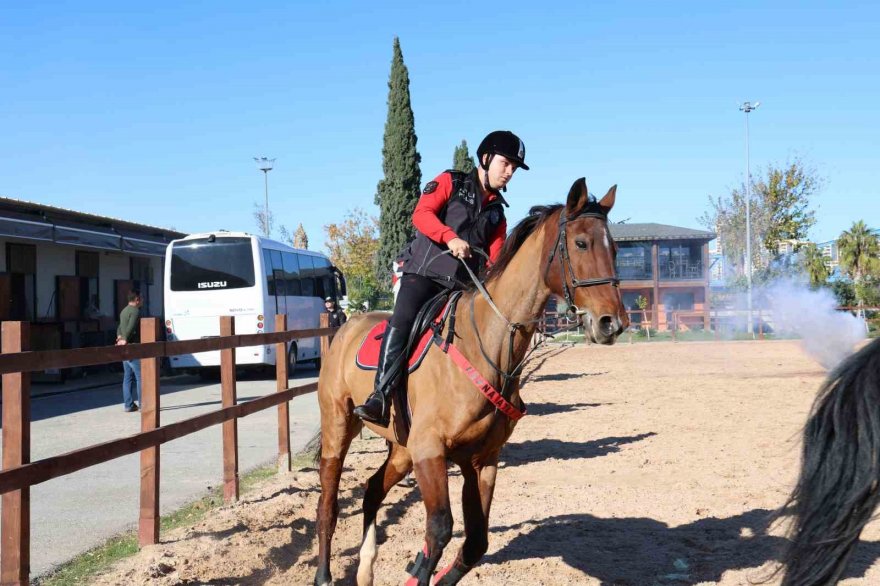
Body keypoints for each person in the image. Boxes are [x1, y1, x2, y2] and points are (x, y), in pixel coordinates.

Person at [353, 130, 529, 426]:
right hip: (424, 275)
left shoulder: (498, 214)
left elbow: (497, 261)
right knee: (403, 320)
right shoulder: (451, 181)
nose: (509, 172)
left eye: (514, 168)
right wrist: (450, 238)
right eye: (506, 164)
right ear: (486, 159)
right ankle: (380, 396)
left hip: (461, 290)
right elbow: (421, 215)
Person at [116, 290, 142, 412]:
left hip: (123, 348)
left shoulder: (124, 311)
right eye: (140, 299)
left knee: (127, 377)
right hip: (133, 346)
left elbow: (120, 327)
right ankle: (143, 404)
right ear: (137, 299)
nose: (141, 301)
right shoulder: (135, 311)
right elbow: (131, 327)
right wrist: (125, 339)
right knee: (140, 376)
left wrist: (119, 336)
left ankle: (128, 404)